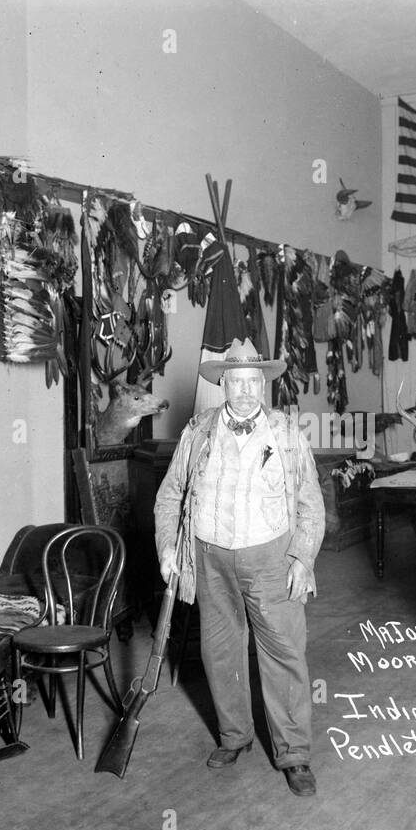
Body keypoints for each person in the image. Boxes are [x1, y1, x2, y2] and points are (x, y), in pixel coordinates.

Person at [154, 338, 325, 796]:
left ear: (264, 385)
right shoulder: (198, 431)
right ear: (223, 384)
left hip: (271, 557)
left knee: (283, 653)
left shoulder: (287, 434)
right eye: (237, 381)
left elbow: (310, 503)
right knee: (220, 650)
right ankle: (234, 736)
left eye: (254, 382)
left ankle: (294, 754)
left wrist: (302, 558)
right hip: (210, 557)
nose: (246, 391)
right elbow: (170, 497)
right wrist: (169, 550)